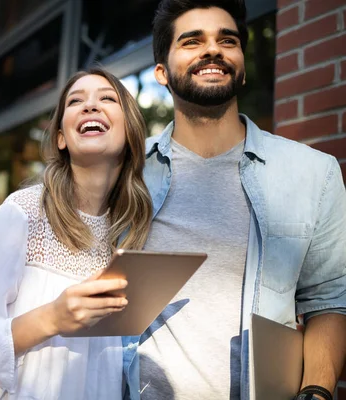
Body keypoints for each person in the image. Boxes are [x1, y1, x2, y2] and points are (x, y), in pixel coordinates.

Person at [121, 1, 346, 400]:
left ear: (241, 65)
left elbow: (329, 300)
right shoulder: (125, 172)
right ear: (161, 73)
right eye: (192, 41)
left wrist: (317, 392)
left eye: (228, 40)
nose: (213, 50)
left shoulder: (315, 173)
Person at [0, 67, 153, 399]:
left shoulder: (131, 233)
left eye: (107, 98)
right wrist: (52, 318)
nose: (90, 106)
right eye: (76, 101)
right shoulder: (23, 212)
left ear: (130, 132)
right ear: (61, 137)